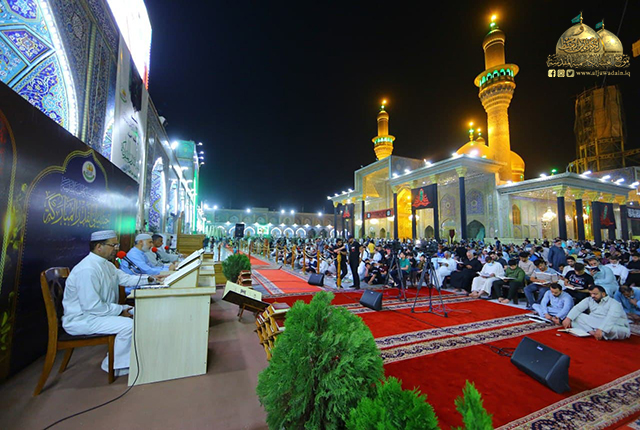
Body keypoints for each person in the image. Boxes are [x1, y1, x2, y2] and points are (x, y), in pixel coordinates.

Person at [62, 230, 165, 377]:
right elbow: (92, 306)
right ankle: (115, 365)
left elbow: (125, 279)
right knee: (129, 325)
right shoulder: (87, 269)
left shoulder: (106, 264)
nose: (116, 248)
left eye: (116, 245)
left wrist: (149, 279)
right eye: (113, 245)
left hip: (101, 313)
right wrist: (120, 310)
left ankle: (134, 356)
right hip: (84, 318)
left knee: (143, 313)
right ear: (99, 247)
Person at [563, 285, 630, 340]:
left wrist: (601, 329)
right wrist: (568, 318)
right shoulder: (589, 300)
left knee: (611, 330)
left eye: (595, 294)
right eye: (591, 294)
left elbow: (611, 318)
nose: (592, 296)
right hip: (596, 323)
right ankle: (592, 332)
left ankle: (598, 332)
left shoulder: (614, 303)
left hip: (614, 325)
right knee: (575, 317)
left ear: (603, 294)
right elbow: (578, 308)